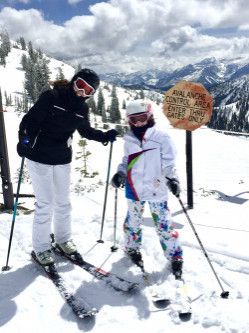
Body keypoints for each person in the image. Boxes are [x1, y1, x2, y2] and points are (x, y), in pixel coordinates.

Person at [17, 68, 118, 266]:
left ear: (91, 95)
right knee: (45, 204)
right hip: (38, 156)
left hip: (62, 158)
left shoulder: (82, 109)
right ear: (73, 82)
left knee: (63, 203)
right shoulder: (52, 97)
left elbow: (86, 131)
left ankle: (63, 240)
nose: (81, 92)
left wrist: (105, 136)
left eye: (87, 90)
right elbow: (29, 121)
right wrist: (24, 140)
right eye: (80, 85)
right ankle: (41, 248)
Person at [111, 99, 183, 278]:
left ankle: (175, 256)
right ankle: (132, 248)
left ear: (150, 116)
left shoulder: (161, 138)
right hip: (134, 189)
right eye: (133, 120)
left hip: (156, 189)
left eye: (142, 118)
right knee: (133, 222)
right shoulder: (129, 139)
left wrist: (173, 180)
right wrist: (120, 173)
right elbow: (127, 160)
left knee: (164, 223)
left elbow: (169, 164)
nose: (138, 123)